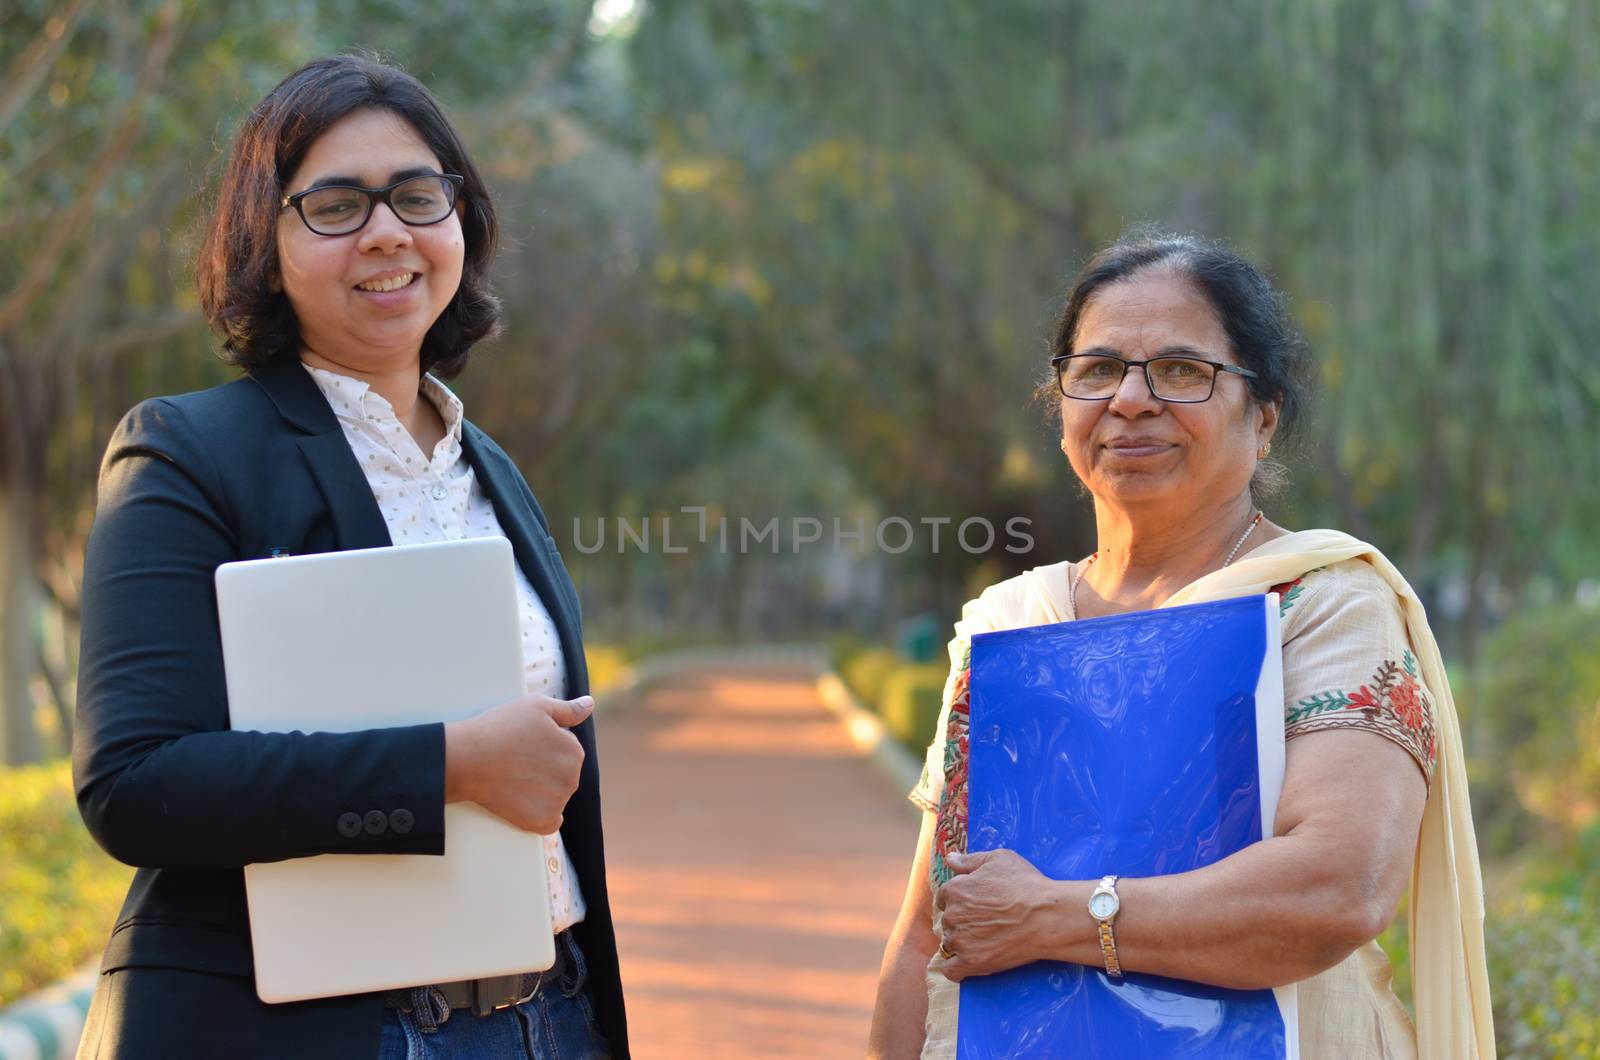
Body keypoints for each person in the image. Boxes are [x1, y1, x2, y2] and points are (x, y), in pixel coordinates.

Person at [71, 55, 626, 1059]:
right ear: (263, 241)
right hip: (322, 1032)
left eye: (417, 195)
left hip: (548, 1014)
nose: (386, 231)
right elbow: (134, 781)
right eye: (334, 204)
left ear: (462, 222)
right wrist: (449, 764)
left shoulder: (490, 472)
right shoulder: (186, 454)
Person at [867, 234, 1494, 1059]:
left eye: (1181, 370)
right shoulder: (1008, 622)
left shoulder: (1322, 604)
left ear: (1263, 417)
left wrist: (1058, 916)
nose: (1130, 399)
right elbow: (926, 935)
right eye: (1096, 370)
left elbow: (1340, 888)